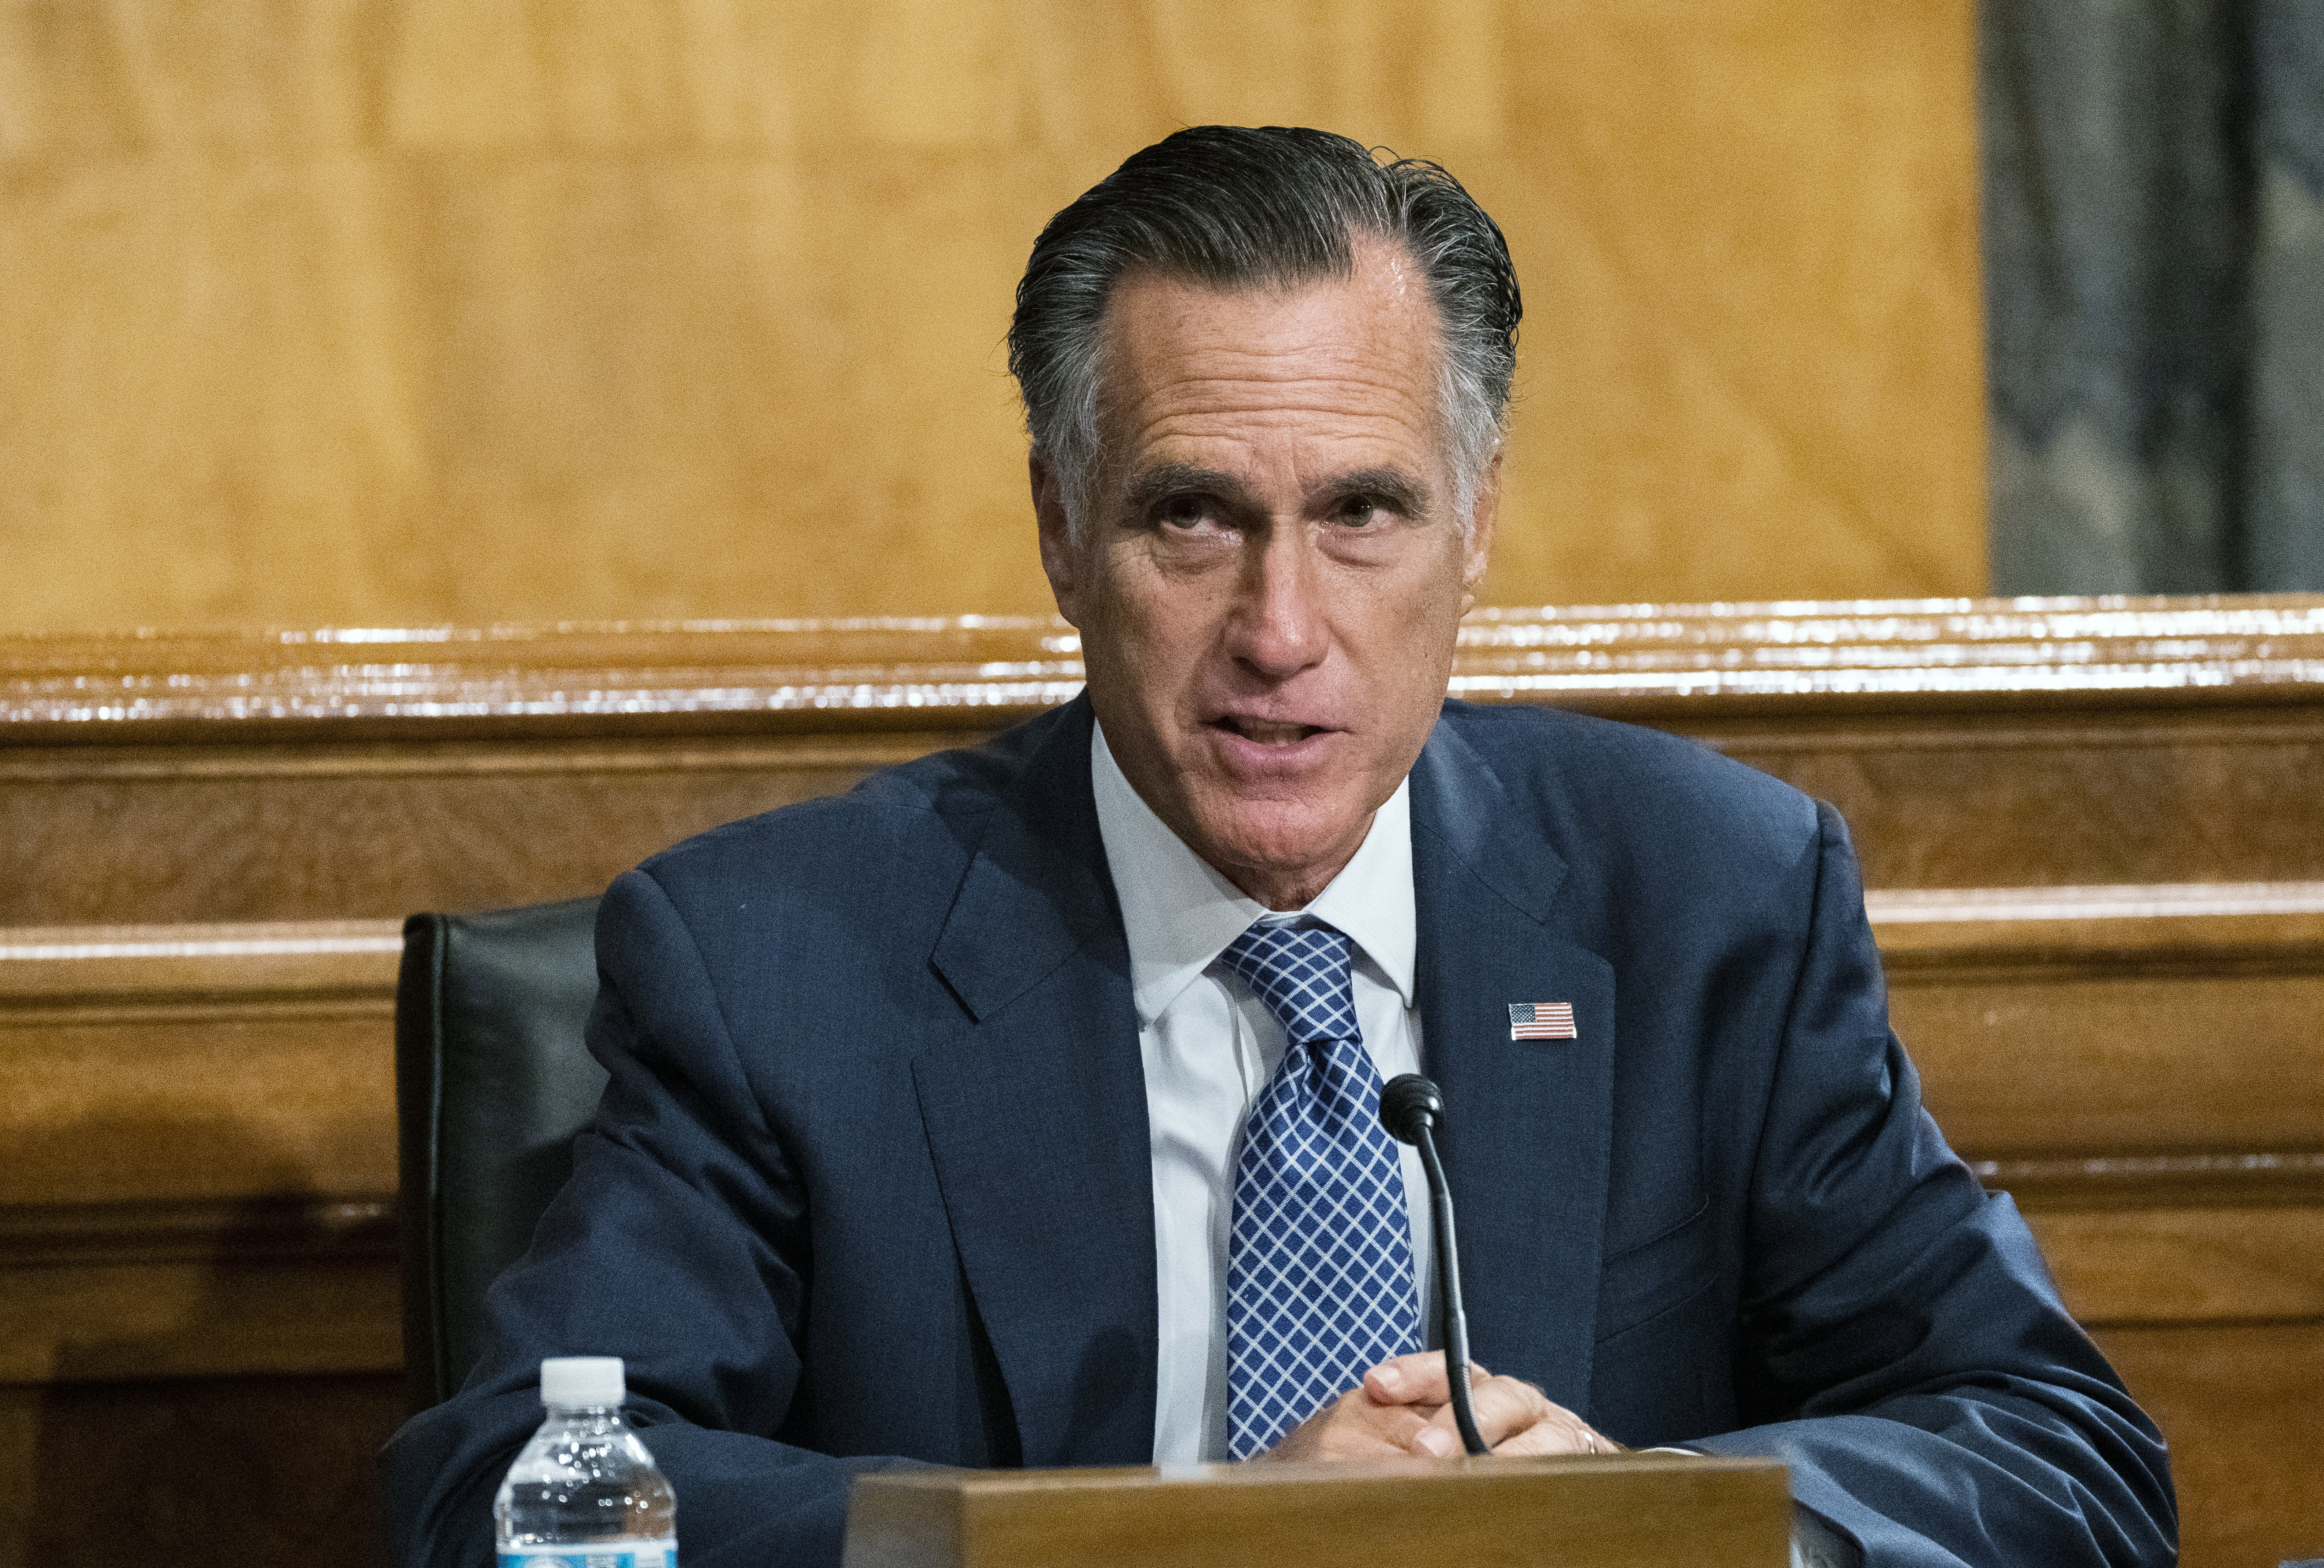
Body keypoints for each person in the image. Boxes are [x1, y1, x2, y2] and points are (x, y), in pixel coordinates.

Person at [381, 126, 2174, 1567]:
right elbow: (509, 1495)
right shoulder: (781, 960)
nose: (1282, 628)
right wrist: (1185, 1541)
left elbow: (2061, 1453)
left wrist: (1663, 1528)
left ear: (1473, 529)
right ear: (1063, 532)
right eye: (1194, 517)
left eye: (1363, 513)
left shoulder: (1712, 902)